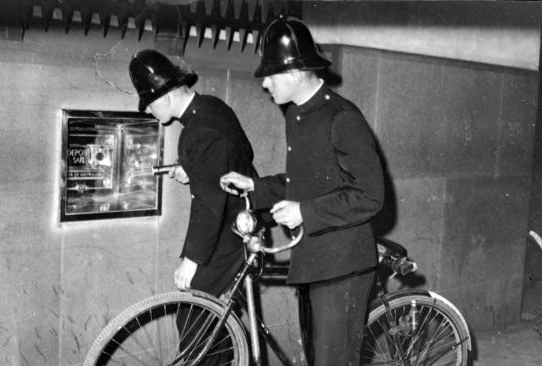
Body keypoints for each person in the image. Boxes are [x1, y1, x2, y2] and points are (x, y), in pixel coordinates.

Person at [219, 15, 385, 366]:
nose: (266, 86)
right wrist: (257, 186)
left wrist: (303, 213)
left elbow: (370, 195)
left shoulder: (342, 117)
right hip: (314, 260)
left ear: (294, 74)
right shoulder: (297, 115)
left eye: (270, 76)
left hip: (343, 268)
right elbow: (306, 183)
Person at [129, 49, 257, 298]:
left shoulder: (196, 131)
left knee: (193, 317)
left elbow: (208, 202)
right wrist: (195, 169)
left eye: (149, 103)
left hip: (229, 231)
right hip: (242, 219)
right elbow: (243, 154)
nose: (148, 111)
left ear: (165, 98)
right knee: (216, 319)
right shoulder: (213, 106)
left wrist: (191, 260)